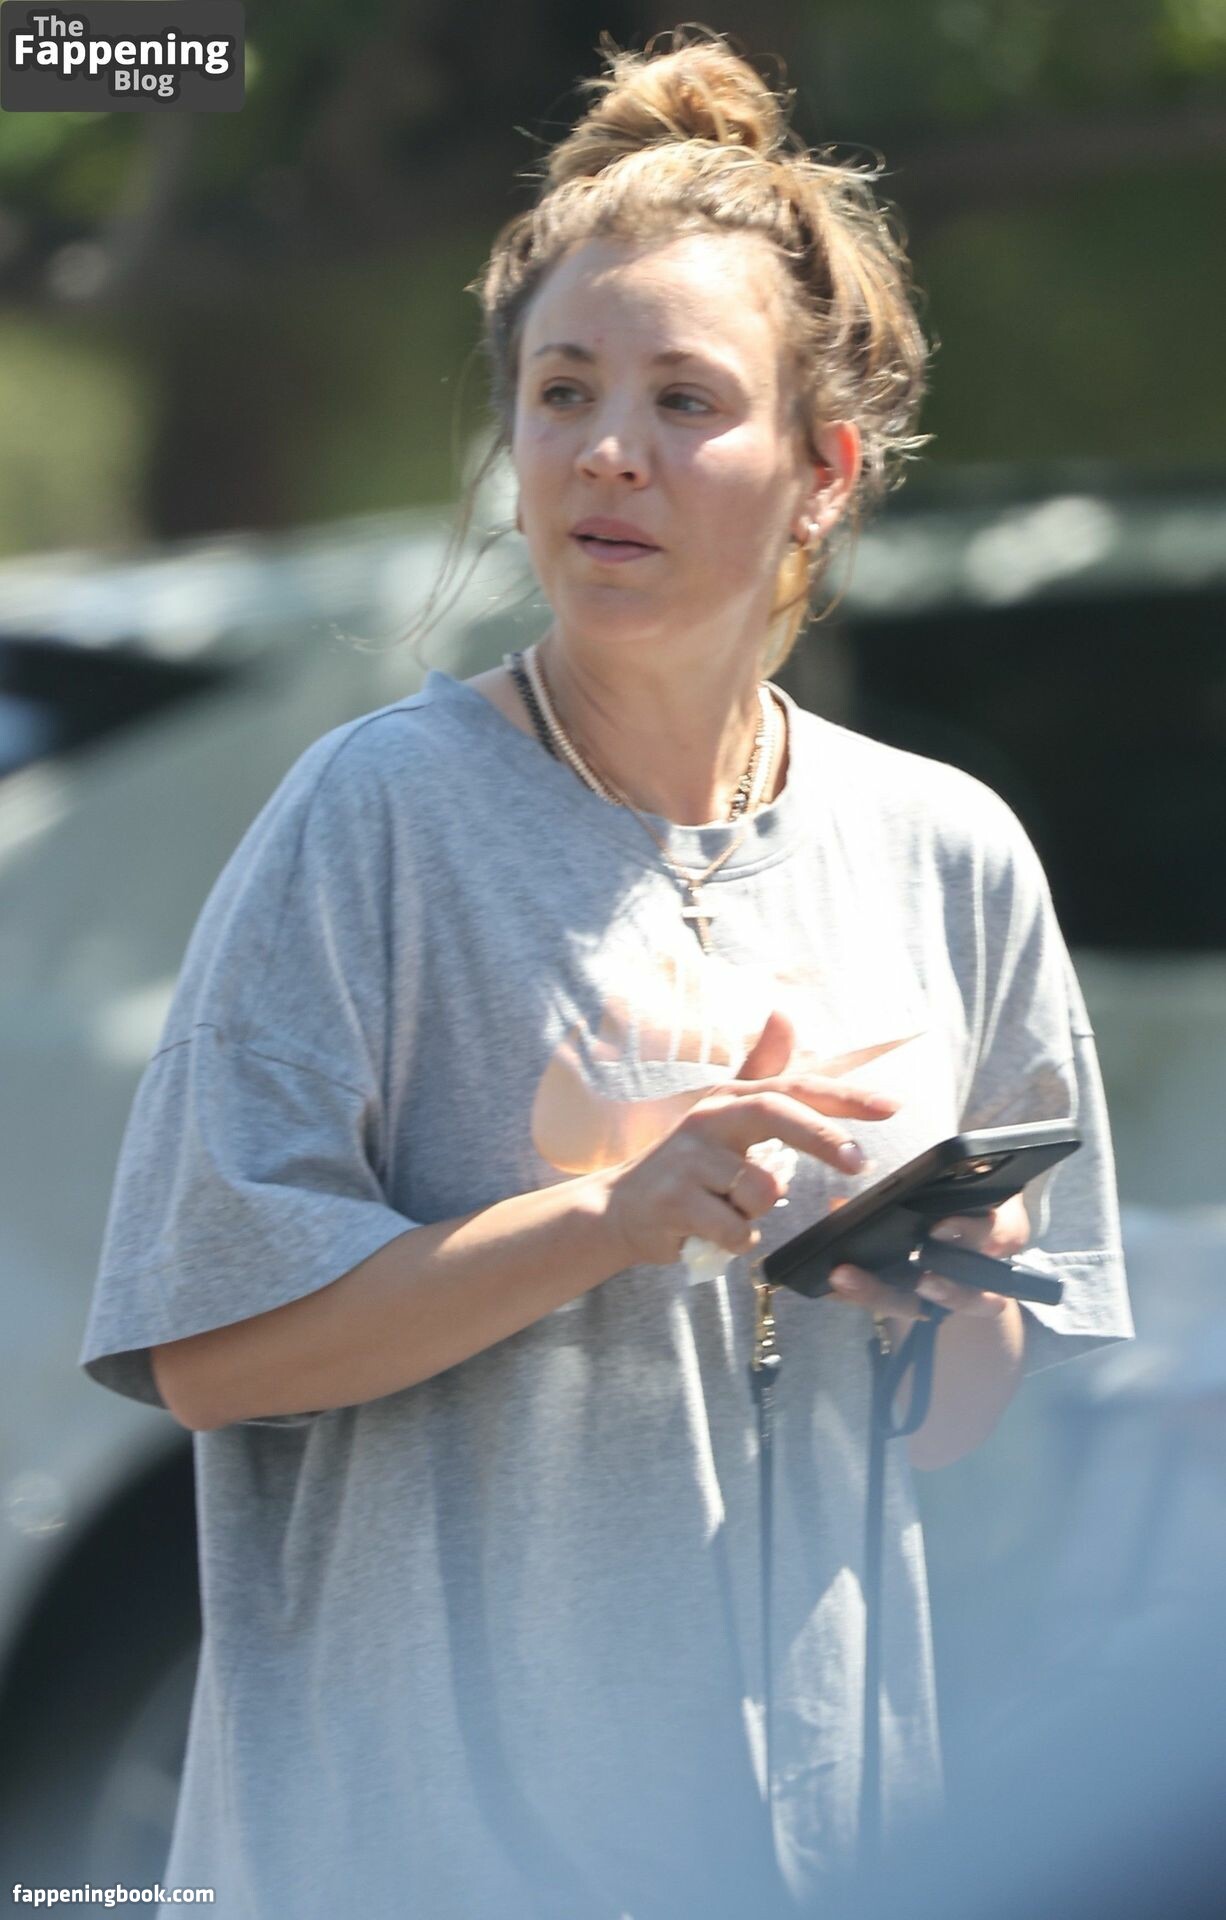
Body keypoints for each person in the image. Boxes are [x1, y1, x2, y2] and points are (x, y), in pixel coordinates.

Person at [79, 28, 1134, 1920]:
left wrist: (944, 1281)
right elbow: (210, 1357)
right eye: (562, 392)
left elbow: (957, 1420)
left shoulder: (948, 854)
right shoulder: (379, 815)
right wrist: (610, 1217)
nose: (607, 451)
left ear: (819, 474)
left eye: (682, 400)